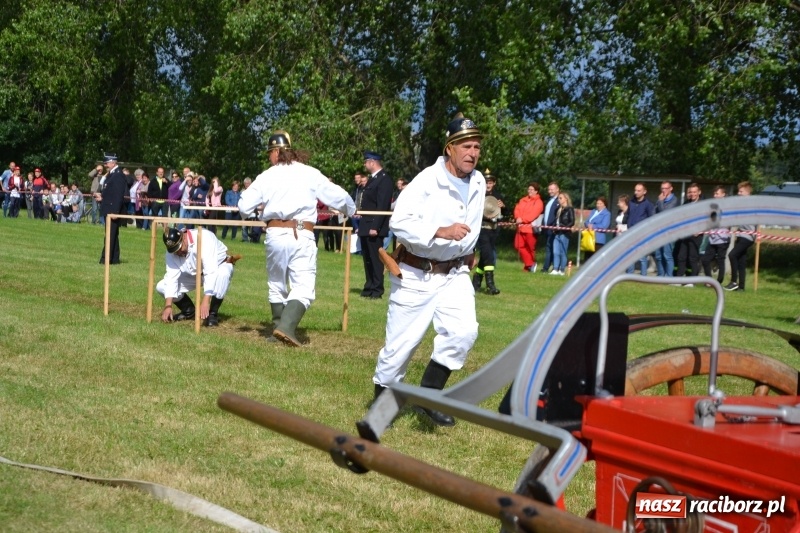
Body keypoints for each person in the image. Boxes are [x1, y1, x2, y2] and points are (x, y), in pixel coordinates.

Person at [371, 115, 485, 427]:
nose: (472, 153)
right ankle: (381, 406)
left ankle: (429, 395)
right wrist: (440, 231)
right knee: (400, 348)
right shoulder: (426, 181)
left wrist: (469, 250)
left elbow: (472, 222)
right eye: (466, 146)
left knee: (463, 332)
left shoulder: (477, 182)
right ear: (450, 148)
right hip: (416, 273)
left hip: (454, 274)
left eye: (476, 146)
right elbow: (400, 222)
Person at [238, 130, 356, 347]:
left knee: (276, 282)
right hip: (301, 233)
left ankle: (278, 331)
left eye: (269, 153)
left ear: (276, 152)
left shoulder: (266, 176)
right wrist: (351, 208)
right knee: (304, 285)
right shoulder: (308, 173)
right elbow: (336, 195)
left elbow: (244, 206)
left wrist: (255, 212)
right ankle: (286, 327)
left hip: (274, 233)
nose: (269, 158)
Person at [158, 227, 239, 327]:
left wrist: (206, 300)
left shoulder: (204, 238)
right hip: (195, 274)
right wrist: (168, 305)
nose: (178, 252)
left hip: (218, 267)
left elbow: (210, 271)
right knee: (161, 286)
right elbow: (171, 276)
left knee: (223, 274)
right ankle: (189, 311)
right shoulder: (172, 250)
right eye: (175, 251)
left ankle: (212, 314)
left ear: (183, 238)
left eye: (179, 248)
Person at [358, 151, 394, 299]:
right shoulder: (373, 179)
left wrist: (375, 227)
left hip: (374, 226)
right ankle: (369, 286)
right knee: (367, 259)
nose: (365, 165)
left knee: (375, 259)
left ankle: (377, 289)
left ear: (372, 162)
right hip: (366, 224)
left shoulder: (384, 180)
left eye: (366, 162)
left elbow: (382, 205)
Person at [473, 169, 507, 293]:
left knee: (485, 257)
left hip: (494, 230)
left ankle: (476, 283)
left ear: (494, 183)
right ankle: (490, 285)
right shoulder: (478, 195)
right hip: (482, 229)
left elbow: (505, 214)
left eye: (490, 182)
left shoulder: (498, 196)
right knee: (489, 256)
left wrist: (504, 207)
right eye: (486, 182)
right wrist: (485, 216)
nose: (488, 185)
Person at [725, 181, 755, 292]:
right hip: (742, 234)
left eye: (741, 191)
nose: (739, 193)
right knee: (741, 261)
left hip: (748, 236)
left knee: (732, 255)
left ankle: (734, 282)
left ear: (747, 192)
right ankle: (741, 287)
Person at [98, 152, 127, 264]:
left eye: (107, 162)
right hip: (108, 207)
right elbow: (110, 192)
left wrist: (115, 211)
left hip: (112, 210)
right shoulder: (111, 174)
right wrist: (102, 197)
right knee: (112, 234)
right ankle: (114, 258)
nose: (105, 165)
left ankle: (106, 259)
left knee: (110, 235)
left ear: (113, 162)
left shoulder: (118, 175)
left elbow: (118, 195)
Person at [673, 182, 703, 283]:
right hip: (685, 235)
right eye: (691, 192)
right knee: (681, 256)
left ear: (699, 192)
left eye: (695, 192)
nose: (692, 194)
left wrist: (700, 230)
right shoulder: (686, 203)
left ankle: (691, 281)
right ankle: (679, 279)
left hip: (696, 235)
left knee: (692, 258)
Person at [512, 181, 543, 274]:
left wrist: (523, 219)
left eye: (532, 189)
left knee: (530, 248)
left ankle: (528, 266)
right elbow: (517, 209)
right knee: (518, 246)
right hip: (520, 228)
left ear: (536, 191)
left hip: (530, 229)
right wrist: (518, 218)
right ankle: (530, 263)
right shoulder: (523, 200)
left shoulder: (538, 202)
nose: (529, 191)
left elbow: (534, 214)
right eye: (529, 189)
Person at [701, 186, 730, 284]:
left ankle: (719, 282)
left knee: (721, 260)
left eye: (717, 194)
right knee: (705, 259)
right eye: (714, 194)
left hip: (722, 238)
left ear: (723, 194)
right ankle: (709, 281)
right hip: (712, 238)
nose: (715, 195)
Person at [626, 182, 654, 274]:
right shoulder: (631, 202)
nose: (636, 192)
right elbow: (628, 215)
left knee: (642, 257)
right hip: (630, 233)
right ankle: (629, 274)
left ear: (644, 192)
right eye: (635, 190)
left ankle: (643, 275)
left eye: (639, 190)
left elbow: (651, 219)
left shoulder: (648, 204)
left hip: (642, 234)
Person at [653, 181, 678, 277]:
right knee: (658, 255)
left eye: (665, 188)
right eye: (662, 188)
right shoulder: (660, 199)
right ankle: (660, 275)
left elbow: (665, 213)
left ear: (671, 189)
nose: (663, 190)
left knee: (667, 255)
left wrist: (660, 201)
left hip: (668, 232)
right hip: (658, 231)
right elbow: (653, 212)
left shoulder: (674, 200)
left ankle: (669, 276)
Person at [550, 192, 575, 275]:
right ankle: (555, 269)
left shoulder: (570, 209)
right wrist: (554, 227)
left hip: (565, 233)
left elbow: (572, 222)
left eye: (561, 198)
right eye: (558, 198)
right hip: (557, 233)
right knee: (555, 251)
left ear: (566, 199)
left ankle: (562, 270)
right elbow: (556, 221)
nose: (559, 200)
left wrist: (563, 227)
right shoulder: (558, 209)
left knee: (562, 252)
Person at [583, 196, 611, 261]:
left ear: (604, 204)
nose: (598, 205)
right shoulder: (593, 211)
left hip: (598, 239)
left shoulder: (607, 214)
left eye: (600, 203)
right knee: (587, 259)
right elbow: (586, 222)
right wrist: (588, 225)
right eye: (597, 203)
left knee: (596, 259)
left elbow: (604, 226)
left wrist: (593, 226)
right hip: (589, 238)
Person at [541, 182, 560, 273]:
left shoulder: (558, 201)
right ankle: (548, 266)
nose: (550, 191)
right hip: (546, 228)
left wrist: (553, 226)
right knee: (549, 248)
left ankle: (547, 267)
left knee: (552, 249)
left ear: (557, 189)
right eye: (549, 189)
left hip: (553, 229)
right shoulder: (549, 200)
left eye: (552, 189)